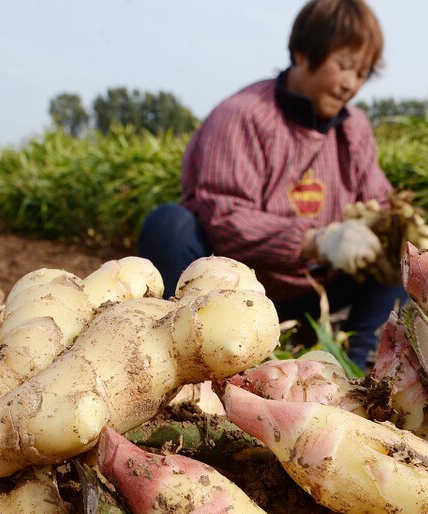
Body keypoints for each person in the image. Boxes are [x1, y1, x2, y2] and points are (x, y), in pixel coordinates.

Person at [136, 0, 405, 369]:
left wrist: (397, 233)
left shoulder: (354, 127)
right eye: (343, 66)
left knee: (401, 255)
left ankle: (364, 370)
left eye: (361, 74)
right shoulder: (243, 115)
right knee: (168, 226)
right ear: (303, 52)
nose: (349, 85)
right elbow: (225, 219)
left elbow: (380, 200)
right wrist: (317, 241)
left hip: (319, 293)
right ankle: (193, 355)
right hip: (238, 292)